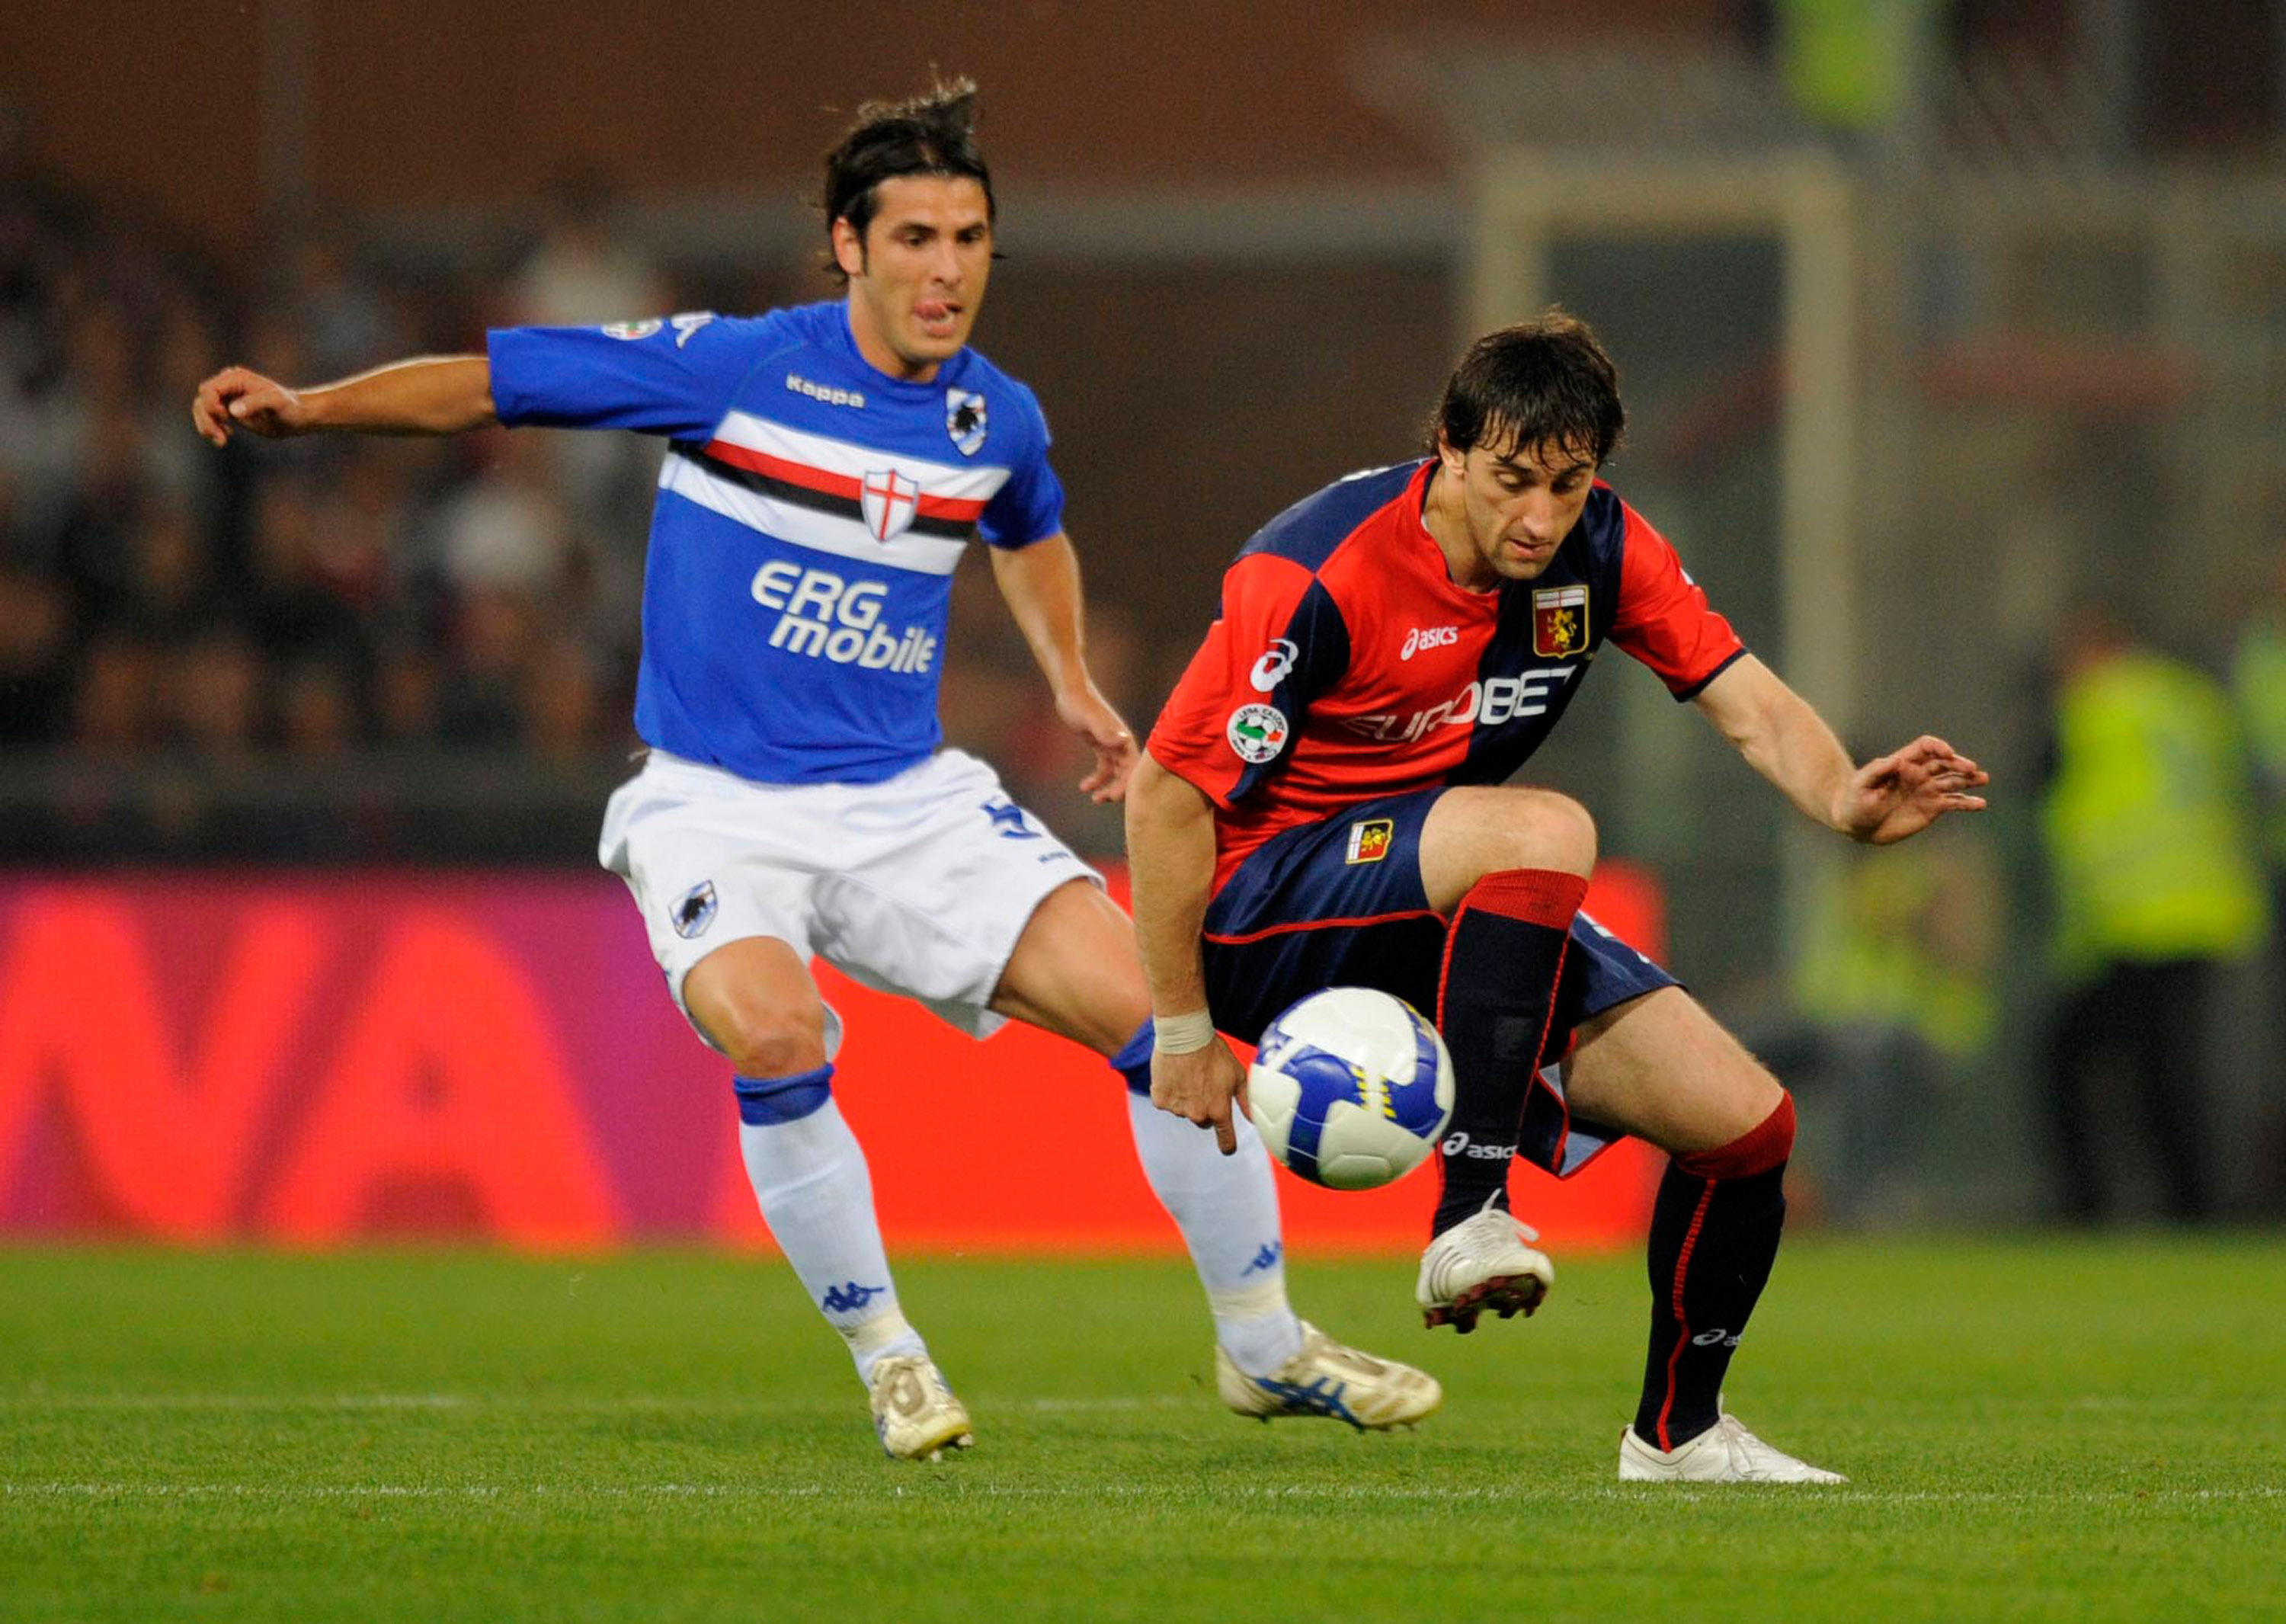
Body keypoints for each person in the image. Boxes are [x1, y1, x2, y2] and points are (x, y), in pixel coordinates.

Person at [191, 81, 1435, 1461]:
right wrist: (309, 410)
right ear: (848, 246)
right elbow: (492, 380)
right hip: (718, 804)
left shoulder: (994, 419)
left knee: (1166, 1017)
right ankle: (891, 1357)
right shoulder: (731, 368)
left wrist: (1068, 677)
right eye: (914, 239)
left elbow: (1029, 530)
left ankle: (1264, 1347)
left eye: (969, 240)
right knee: (777, 1037)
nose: (946, 270)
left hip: (907, 800)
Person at [1127, 310, 1987, 1483]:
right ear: (1448, 445)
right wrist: (1180, 1024)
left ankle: (1678, 1435)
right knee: (1546, 826)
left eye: (1569, 483)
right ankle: (1468, 1212)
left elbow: (1743, 696)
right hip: (1267, 903)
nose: (1539, 516)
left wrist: (1844, 795)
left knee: (1746, 1125)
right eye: (1511, 479)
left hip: (1442, 894)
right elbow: (1167, 791)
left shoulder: (1603, 548)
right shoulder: (1317, 567)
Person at [2041, 602, 2268, 1223]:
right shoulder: (2194, 700)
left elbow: (2053, 783)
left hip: (2135, 913)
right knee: (2178, 1065)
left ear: (2096, 647)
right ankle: (2191, 1202)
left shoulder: (2098, 702)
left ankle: (2101, 1205)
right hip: (2209, 904)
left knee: (2096, 1059)